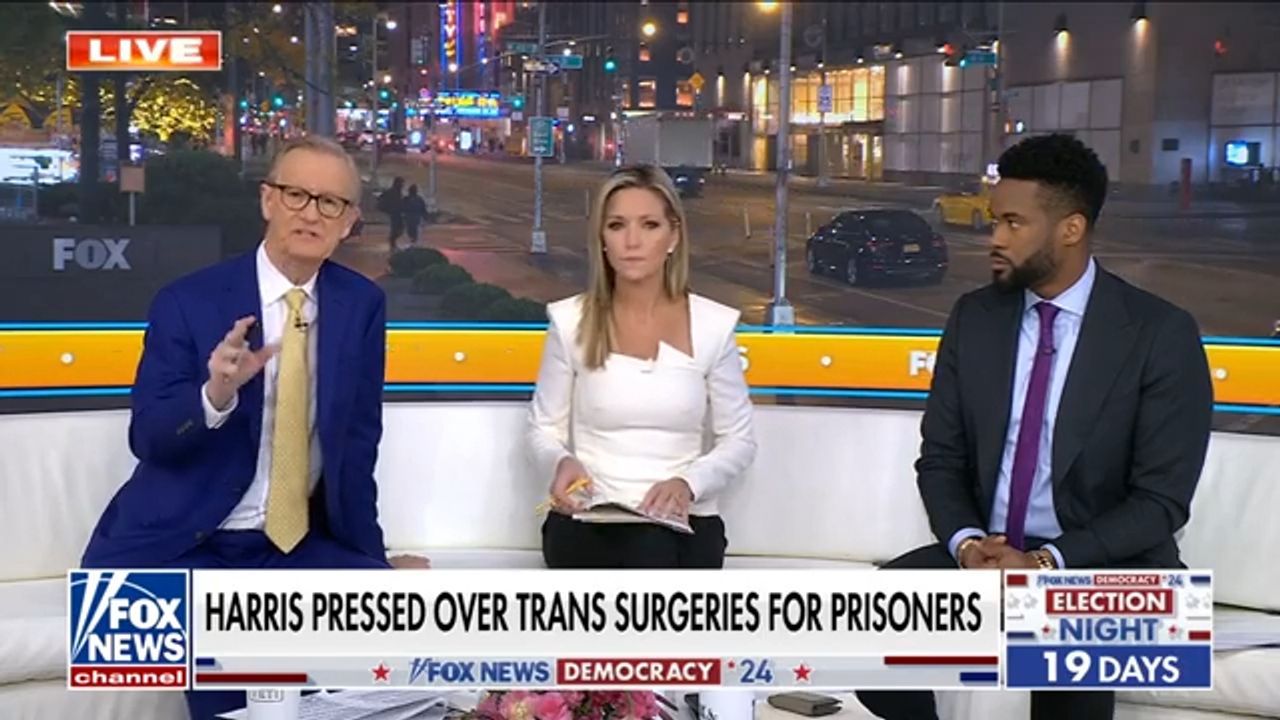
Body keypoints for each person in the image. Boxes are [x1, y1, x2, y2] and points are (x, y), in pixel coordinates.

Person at [854, 134, 1214, 720]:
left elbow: (1161, 502)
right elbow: (941, 460)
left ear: (1070, 229)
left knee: (1065, 674)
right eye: (996, 219)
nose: (994, 238)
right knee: (862, 625)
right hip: (990, 555)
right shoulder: (974, 318)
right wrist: (968, 545)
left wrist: (1046, 564)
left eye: (1013, 223)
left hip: (1106, 568)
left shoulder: (1158, 334)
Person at [80, 135, 427, 720]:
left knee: (410, 656)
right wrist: (214, 395)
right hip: (188, 547)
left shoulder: (360, 304)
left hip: (294, 547)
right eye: (296, 195)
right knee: (236, 685)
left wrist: (371, 564)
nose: (311, 213)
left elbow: (357, 445)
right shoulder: (189, 301)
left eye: (330, 203)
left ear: (349, 223)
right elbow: (149, 437)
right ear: (268, 200)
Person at [526, 165, 756, 569]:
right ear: (602, 238)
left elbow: (739, 440)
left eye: (649, 225)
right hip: (590, 518)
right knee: (646, 553)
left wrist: (688, 484)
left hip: (684, 522)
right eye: (617, 225)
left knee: (655, 549)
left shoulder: (713, 326)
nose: (632, 242)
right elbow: (543, 430)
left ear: (674, 236)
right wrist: (562, 463)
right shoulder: (570, 321)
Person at [378, 175, 405, 251]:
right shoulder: (392, 191)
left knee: (400, 228)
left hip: (398, 212)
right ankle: (392, 243)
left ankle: (392, 242)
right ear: (397, 183)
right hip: (394, 212)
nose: (402, 185)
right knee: (396, 228)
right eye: (401, 183)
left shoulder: (398, 191)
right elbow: (382, 197)